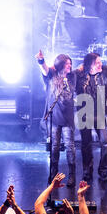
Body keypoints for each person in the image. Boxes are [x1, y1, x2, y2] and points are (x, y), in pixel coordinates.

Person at [35, 50, 77, 187]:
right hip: (54, 117)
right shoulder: (51, 75)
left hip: (68, 118)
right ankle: (54, 175)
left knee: (70, 147)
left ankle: (72, 176)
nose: (69, 67)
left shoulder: (72, 77)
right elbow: (44, 69)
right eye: (66, 64)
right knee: (54, 147)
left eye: (70, 64)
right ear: (60, 65)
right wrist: (41, 60)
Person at [75, 53, 107, 182]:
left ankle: (103, 171)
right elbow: (64, 73)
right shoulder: (79, 75)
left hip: (100, 114)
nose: (100, 64)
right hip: (85, 114)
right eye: (97, 62)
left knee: (105, 142)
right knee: (86, 144)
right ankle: (87, 171)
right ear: (90, 64)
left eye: (100, 62)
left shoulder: (105, 71)